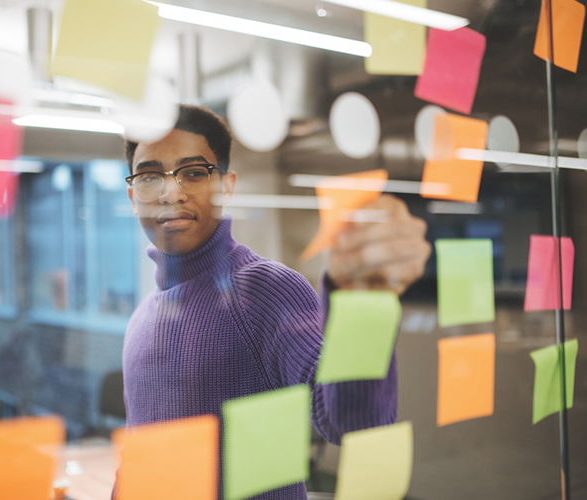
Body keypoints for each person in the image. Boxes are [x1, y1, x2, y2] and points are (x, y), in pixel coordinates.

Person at [120, 105, 430, 499]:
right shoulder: (142, 318)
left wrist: (362, 303)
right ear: (133, 196)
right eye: (150, 176)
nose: (170, 192)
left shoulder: (265, 290)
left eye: (194, 172)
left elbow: (353, 424)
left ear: (226, 186)